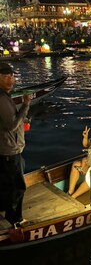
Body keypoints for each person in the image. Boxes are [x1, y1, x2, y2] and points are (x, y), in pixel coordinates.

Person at [0, 63, 31, 226]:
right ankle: (15, 220)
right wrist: (25, 105)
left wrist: (23, 121)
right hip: (9, 151)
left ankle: (5, 211)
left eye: (12, 76)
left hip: (7, 150)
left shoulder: (5, 96)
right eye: (6, 77)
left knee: (6, 184)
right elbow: (11, 124)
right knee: (17, 187)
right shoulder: (2, 98)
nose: (10, 80)